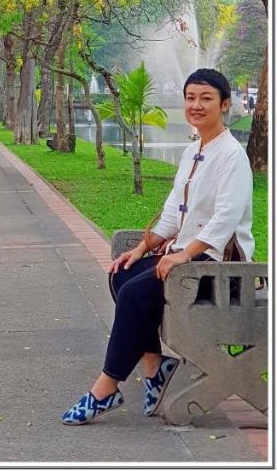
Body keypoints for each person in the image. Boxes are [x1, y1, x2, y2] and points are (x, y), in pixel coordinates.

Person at [62, 68, 253, 425]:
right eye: (191, 98)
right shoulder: (193, 150)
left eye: (206, 98)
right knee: (121, 274)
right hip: (190, 262)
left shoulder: (232, 156)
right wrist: (140, 249)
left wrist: (182, 254)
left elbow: (224, 220)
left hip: (218, 269)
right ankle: (154, 367)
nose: (196, 105)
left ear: (225, 105)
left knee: (136, 294)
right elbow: (171, 214)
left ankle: (105, 389)